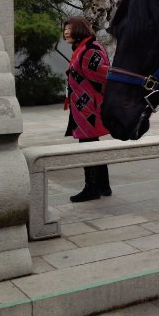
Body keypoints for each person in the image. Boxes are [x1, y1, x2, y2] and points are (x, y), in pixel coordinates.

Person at [63, 16, 112, 202]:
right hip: (83, 107)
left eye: (69, 27)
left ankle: (91, 188)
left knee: (88, 146)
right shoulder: (82, 48)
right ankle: (102, 186)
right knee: (93, 145)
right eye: (65, 28)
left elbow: (104, 75)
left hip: (89, 108)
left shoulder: (90, 49)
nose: (66, 31)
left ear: (80, 29)